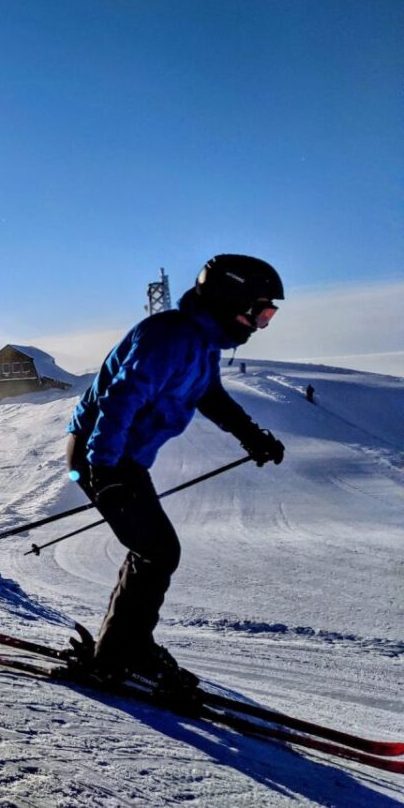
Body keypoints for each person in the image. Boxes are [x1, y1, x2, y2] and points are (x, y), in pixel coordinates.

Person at [65, 254, 286, 689]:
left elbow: (211, 396)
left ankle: (129, 646)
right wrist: (104, 470)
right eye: (261, 311)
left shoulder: (200, 344)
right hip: (102, 453)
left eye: (269, 314)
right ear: (230, 299)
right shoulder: (169, 337)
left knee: (157, 552)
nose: (262, 323)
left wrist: (251, 435)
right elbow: (119, 400)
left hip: (121, 457)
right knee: (157, 551)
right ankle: (116, 657)